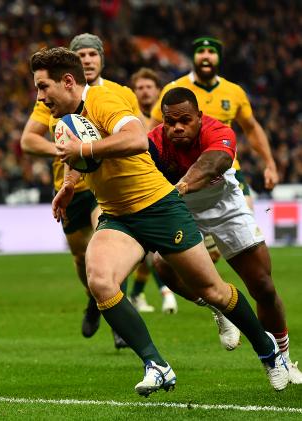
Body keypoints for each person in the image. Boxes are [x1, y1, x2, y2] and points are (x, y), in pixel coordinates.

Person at [31, 46, 289, 394]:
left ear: (67, 81)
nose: (39, 96)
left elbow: (136, 139)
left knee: (212, 289)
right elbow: (78, 159)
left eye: (43, 87)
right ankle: (156, 365)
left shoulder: (104, 100)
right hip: (117, 215)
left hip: (158, 207)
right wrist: (67, 185)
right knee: (101, 280)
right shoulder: (59, 116)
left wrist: (86, 151)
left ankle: (268, 351)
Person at [148, 86, 302, 384]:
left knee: (263, 286)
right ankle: (220, 307)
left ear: (199, 118)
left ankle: (282, 358)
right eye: (170, 121)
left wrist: (181, 185)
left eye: (185, 120)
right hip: (181, 208)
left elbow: (212, 164)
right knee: (162, 266)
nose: (176, 127)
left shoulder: (219, 131)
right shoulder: (152, 142)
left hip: (224, 205)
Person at [21, 33, 142, 349]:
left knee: (109, 239)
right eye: (81, 54)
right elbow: (27, 140)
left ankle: (118, 315)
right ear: (70, 69)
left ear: (102, 58)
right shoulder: (50, 95)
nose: (88, 59)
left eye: (92, 54)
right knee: (80, 256)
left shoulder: (120, 93)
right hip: (70, 184)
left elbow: (142, 133)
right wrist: (64, 151)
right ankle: (95, 298)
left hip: (106, 185)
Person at [150, 36, 279, 262]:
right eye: (201, 52)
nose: (206, 56)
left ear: (218, 58)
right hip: (181, 172)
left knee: (243, 237)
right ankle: (209, 288)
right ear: (194, 58)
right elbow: (153, 130)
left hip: (226, 169)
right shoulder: (175, 89)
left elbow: (251, 129)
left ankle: (218, 283)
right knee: (183, 253)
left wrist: (270, 164)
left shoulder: (234, 92)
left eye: (211, 52)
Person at [129, 67, 178, 314]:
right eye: (139, 87)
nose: (144, 91)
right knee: (150, 247)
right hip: (140, 186)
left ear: (158, 91)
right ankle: (166, 293)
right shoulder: (128, 117)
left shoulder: (170, 119)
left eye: (149, 87)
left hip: (165, 182)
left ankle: (136, 294)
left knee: (148, 251)